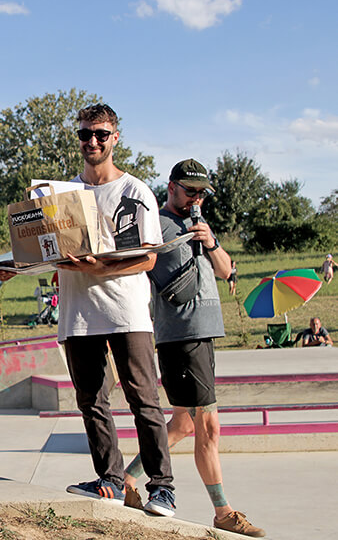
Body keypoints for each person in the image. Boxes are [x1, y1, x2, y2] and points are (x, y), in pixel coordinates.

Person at [0, 104, 175, 516]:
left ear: (115, 138)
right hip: (78, 313)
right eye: (84, 134)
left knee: (142, 398)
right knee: (91, 400)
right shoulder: (61, 196)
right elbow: (47, 251)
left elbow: (147, 259)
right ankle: (109, 480)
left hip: (125, 311)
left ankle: (161, 487)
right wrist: (17, 267)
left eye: (100, 134)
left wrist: (100, 265)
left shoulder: (135, 192)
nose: (91, 141)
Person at [123, 159, 265, 537]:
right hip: (181, 336)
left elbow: (225, 270)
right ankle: (223, 512)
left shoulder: (198, 225)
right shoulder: (157, 224)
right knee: (209, 426)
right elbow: (134, 270)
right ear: (171, 187)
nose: (197, 199)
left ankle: (126, 479)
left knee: (184, 423)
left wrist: (211, 241)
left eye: (202, 192)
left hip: (205, 334)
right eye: (191, 191)